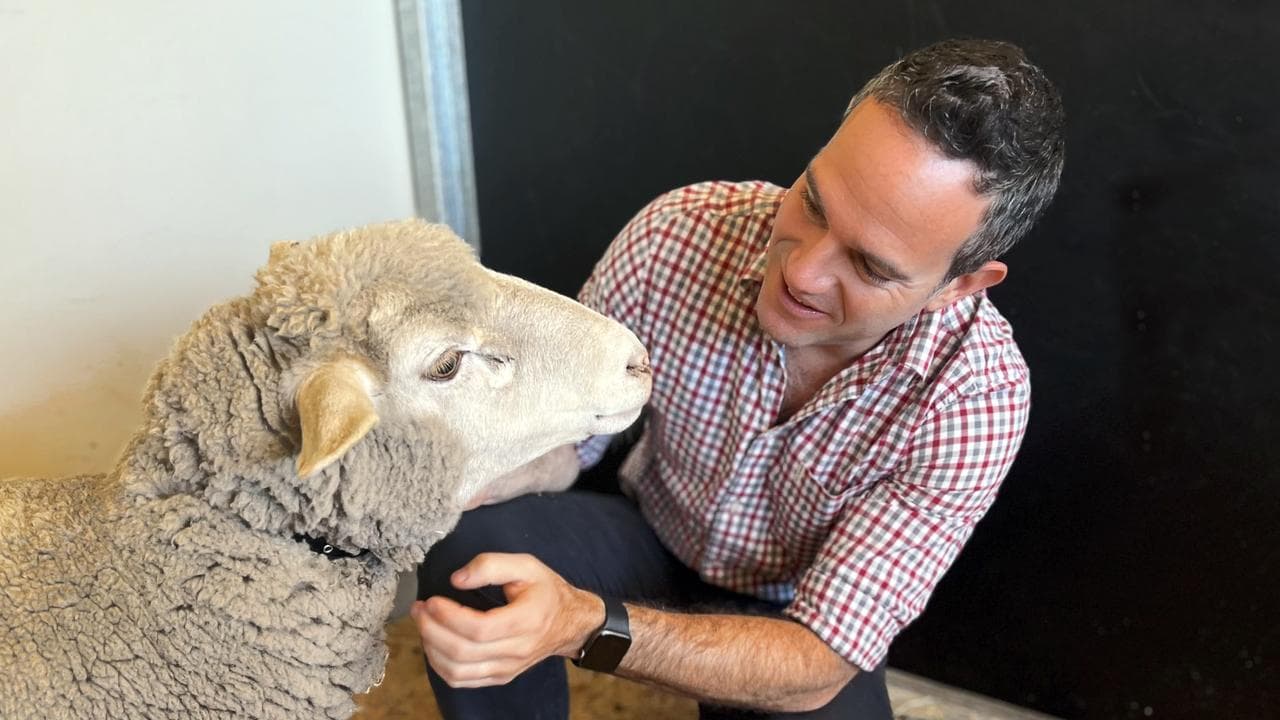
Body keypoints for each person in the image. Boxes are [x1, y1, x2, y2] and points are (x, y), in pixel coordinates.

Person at [412, 37, 1064, 719]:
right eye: (813, 201)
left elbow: (817, 661)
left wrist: (582, 625)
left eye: (870, 267)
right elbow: (572, 443)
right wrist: (454, 479)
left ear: (959, 286)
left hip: (792, 618)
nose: (803, 272)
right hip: (652, 536)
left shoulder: (975, 396)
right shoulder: (676, 235)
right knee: (472, 548)